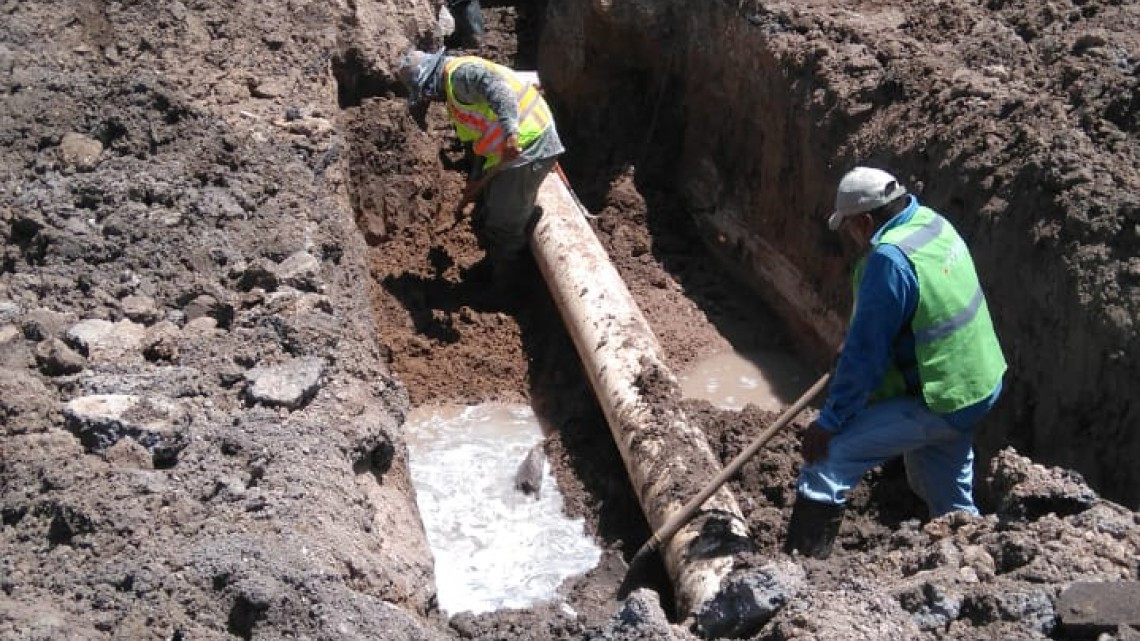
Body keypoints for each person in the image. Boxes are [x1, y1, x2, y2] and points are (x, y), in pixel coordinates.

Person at [784, 166, 1007, 559]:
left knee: (827, 462)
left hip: (941, 397)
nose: (853, 237)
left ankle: (799, 571)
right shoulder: (931, 223)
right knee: (946, 497)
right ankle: (973, 566)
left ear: (865, 222)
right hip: (976, 384)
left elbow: (864, 360)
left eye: (851, 227)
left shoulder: (889, 259)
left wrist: (830, 422)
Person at [396, 48, 563, 289]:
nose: (430, 100)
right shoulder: (454, 88)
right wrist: (475, 179)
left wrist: (512, 134)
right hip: (508, 151)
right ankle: (494, 264)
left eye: (426, 94)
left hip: (529, 144)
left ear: (429, 82)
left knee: (504, 222)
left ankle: (506, 285)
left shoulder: (462, 75)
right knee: (490, 205)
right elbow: (479, 137)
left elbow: (499, 90)